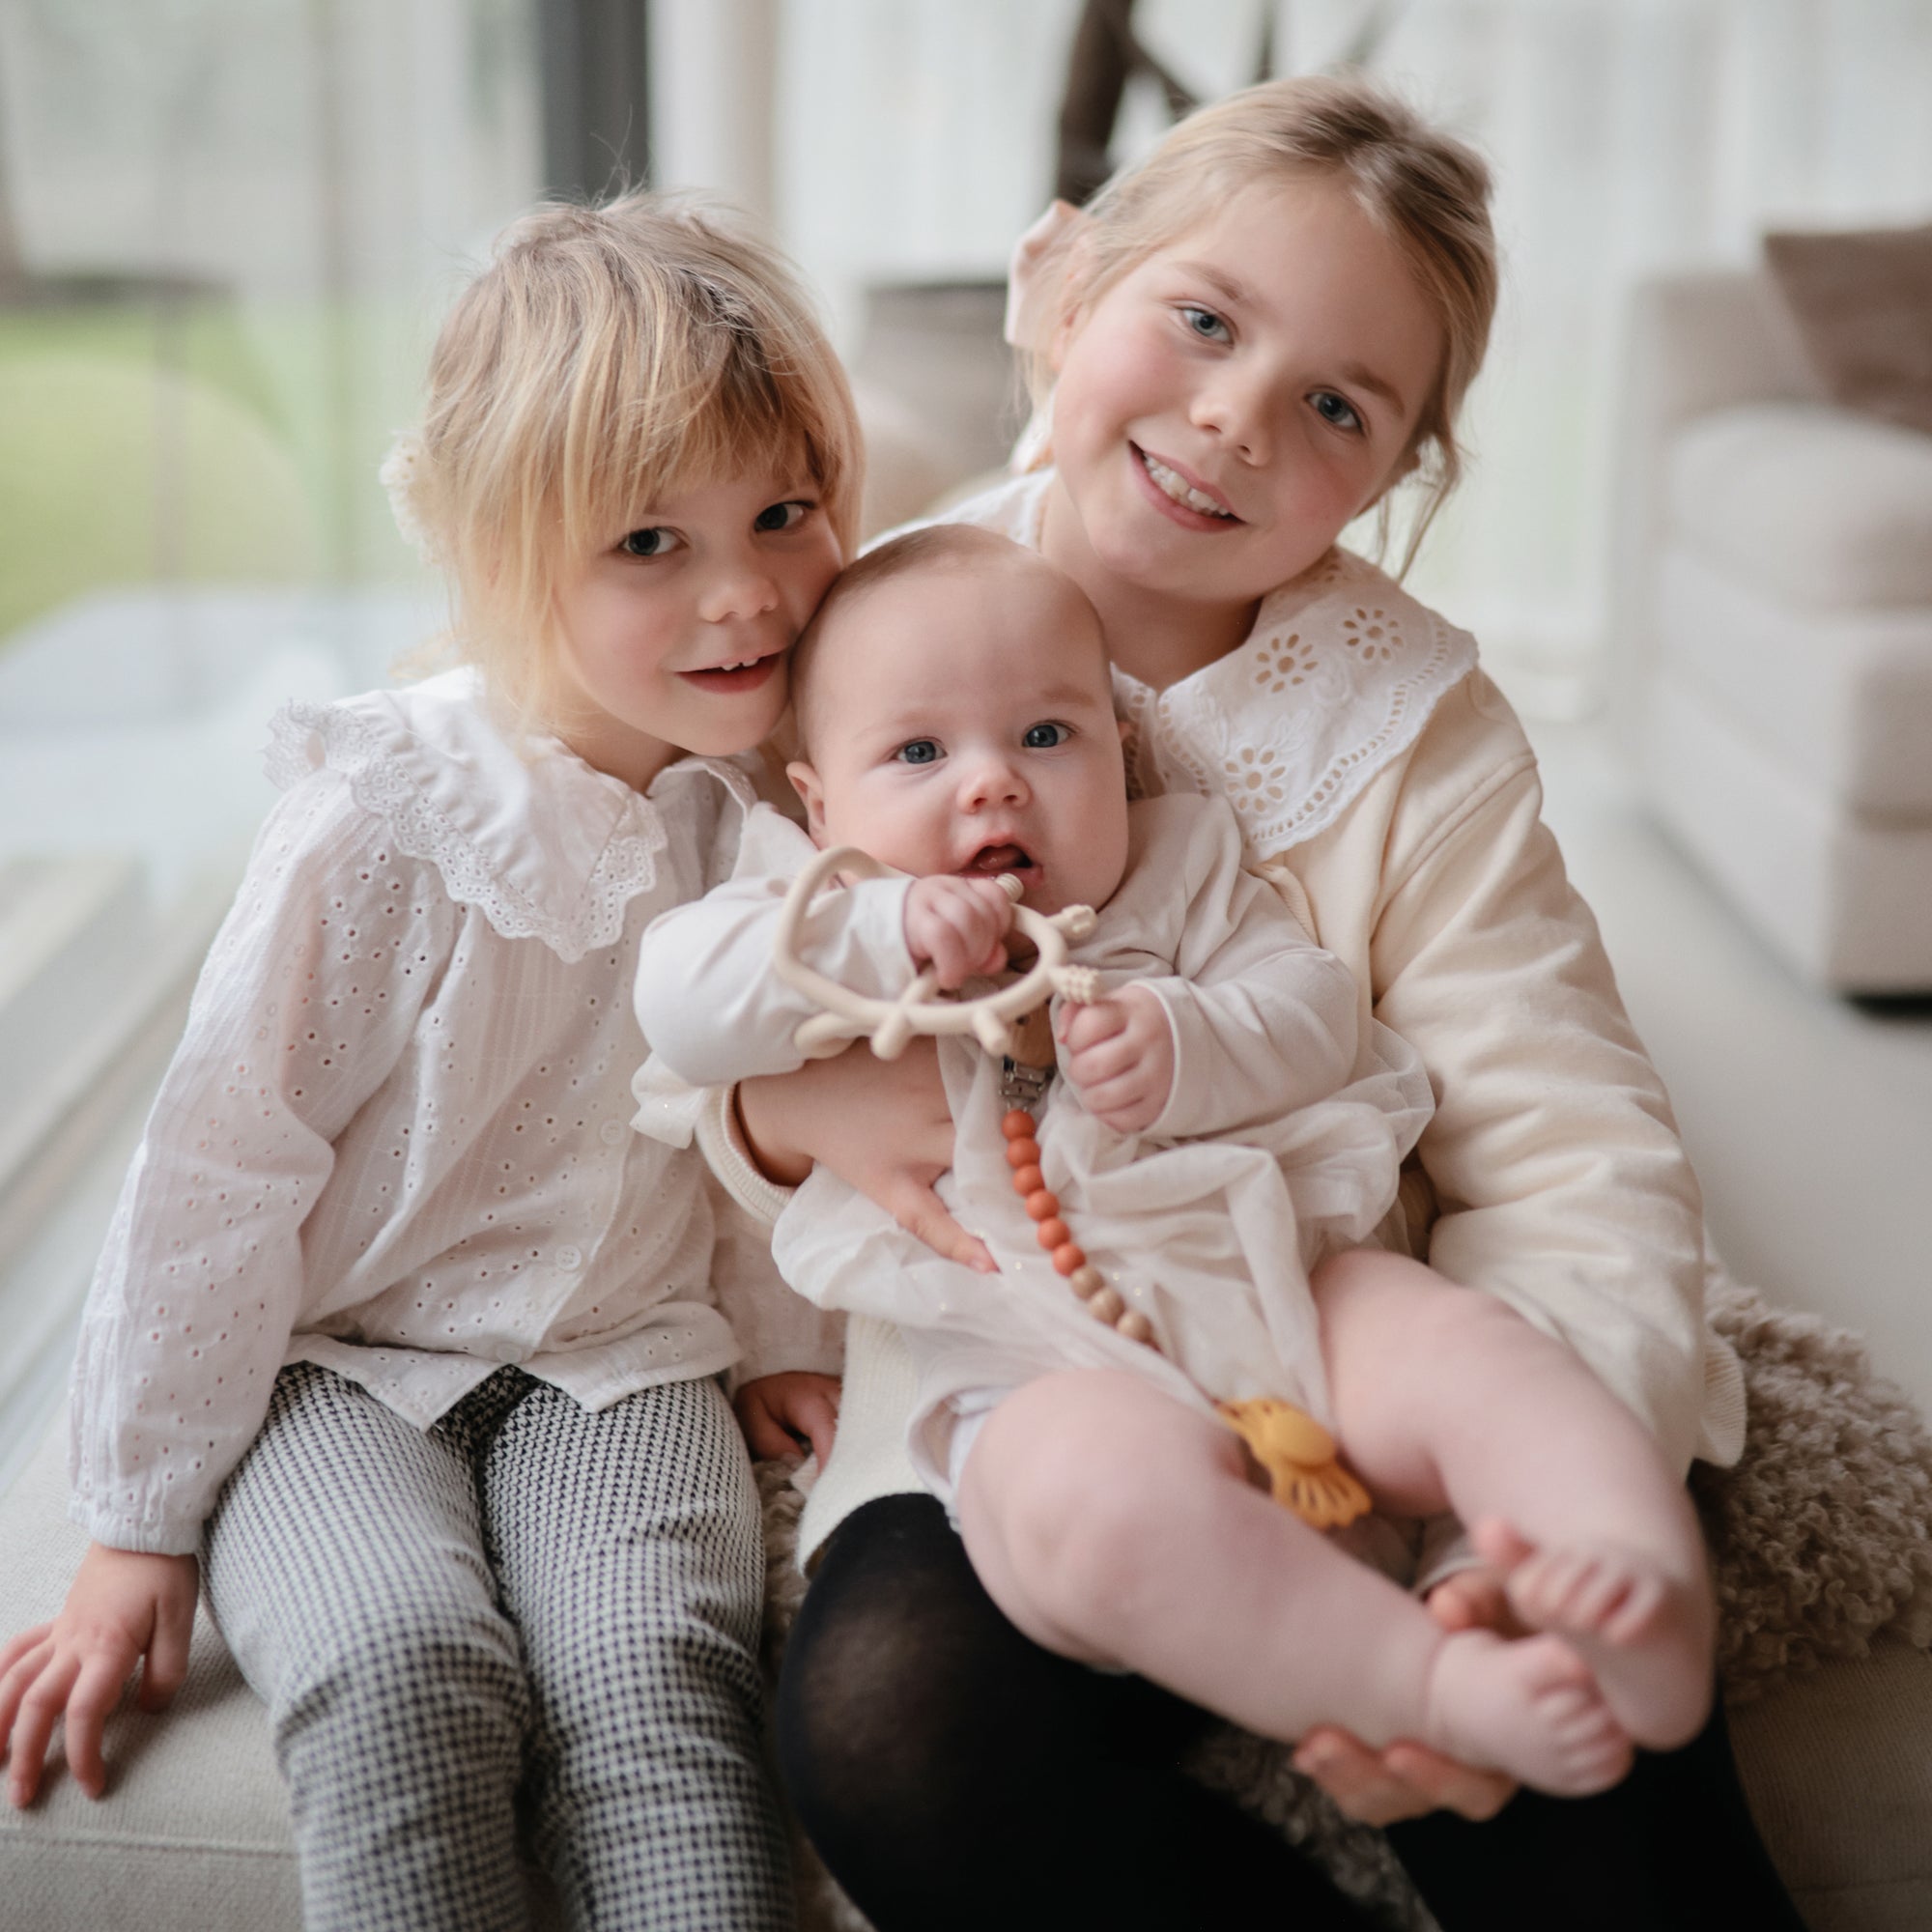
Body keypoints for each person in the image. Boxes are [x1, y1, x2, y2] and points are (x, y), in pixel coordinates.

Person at [698, 75, 1808, 1932]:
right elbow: (690, 999)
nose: (1232, 416)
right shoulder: (860, 624)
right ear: (1060, 286)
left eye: (1335, 407)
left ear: (1392, 479)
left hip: (1327, 1309)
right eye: (1202, 320)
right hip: (1024, 1348)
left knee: (1588, 1749)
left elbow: (1565, 1133)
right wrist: (774, 1115)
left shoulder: (1415, 724)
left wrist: (1497, 1540)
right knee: (895, 1727)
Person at [0, 191, 853, 1932]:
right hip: (336, 1363)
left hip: (621, 1359)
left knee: (659, 1676)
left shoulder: (785, 805)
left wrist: (775, 1335)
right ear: (502, 551)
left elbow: (784, 1103)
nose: (746, 591)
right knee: (400, 1667)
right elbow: (223, 1159)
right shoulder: (386, 820)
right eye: (649, 546)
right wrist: (140, 1521)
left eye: (786, 511)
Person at [637, 522, 1717, 1801]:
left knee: (1467, 1353)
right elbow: (679, 1011)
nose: (991, 785)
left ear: (1121, 745)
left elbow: (1318, 1012)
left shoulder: (1181, 868)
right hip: (1035, 1364)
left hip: (1284, 1281)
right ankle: (1425, 1688)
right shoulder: (801, 908)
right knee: (1085, 1514)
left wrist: (1189, 1043)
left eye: (1049, 737)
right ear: (818, 803)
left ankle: (1619, 1568)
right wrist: (883, 922)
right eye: (919, 754)